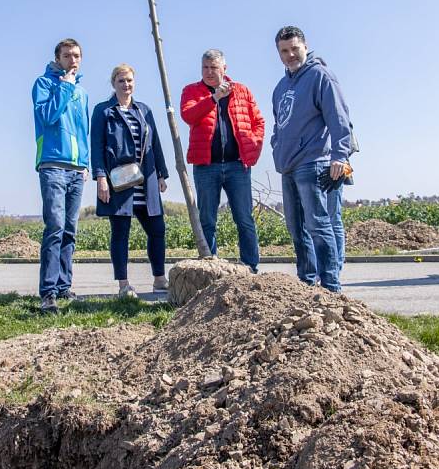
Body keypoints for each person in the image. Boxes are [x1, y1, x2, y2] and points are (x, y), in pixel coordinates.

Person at [271, 25, 352, 292]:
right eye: (284, 50)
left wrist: (340, 155)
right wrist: (276, 147)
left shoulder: (320, 76)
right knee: (296, 229)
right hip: (288, 166)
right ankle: (306, 284)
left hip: (314, 161)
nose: (290, 54)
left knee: (319, 224)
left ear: (305, 46)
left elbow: (339, 119)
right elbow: (278, 125)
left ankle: (330, 286)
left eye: (295, 48)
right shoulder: (280, 87)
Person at [180, 49, 265, 272]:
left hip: (238, 166)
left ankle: (251, 267)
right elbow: (188, 116)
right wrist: (213, 98)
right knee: (207, 219)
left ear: (224, 69)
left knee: (244, 218)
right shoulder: (192, 91)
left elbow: (258, 122)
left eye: (213, 68)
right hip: (206, 166)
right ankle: (211, 267)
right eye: (205, 68)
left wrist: (253, 148)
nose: (209, 72)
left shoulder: (242, 91)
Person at [91, 64, 169, 298]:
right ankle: (124, 285)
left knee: (157, 229)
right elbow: (96, 145)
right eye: (121, 81)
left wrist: (162, 174)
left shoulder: (144, 110)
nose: (126, 85)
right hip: (119, 181)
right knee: (121, 233)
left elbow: (155, 144)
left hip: (146, 180)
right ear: (113, 84)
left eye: (130, 81)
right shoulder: (103, 110)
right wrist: (100, 177)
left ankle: (159, 279)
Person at [32, 38, 89, 314]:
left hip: (77, 170)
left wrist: (86, 163)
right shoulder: (44, 85)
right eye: (67, 55)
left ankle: (65, 286)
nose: (73, 60)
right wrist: (65, 86)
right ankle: (48, 293)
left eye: (77, 55)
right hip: (53, 165)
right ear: (58, 58)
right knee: (54, 226)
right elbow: (48, 117)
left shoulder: (83, 92)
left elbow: (83, 130)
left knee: (70, 230)